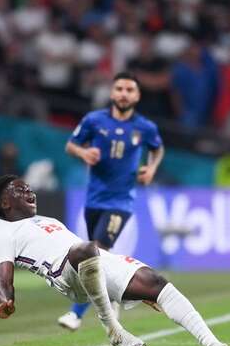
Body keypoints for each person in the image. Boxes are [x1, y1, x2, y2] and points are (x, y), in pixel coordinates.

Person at [0, 175, 230, 346]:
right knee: (86, 248)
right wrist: (6, 300)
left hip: (96, 260)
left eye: (30, 188)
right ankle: (112, 327)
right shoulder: (5, 233)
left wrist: (131, 287)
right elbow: (4, 278)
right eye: (21, 190)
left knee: (155, 283)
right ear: (5, 203)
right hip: (65, 274)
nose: (31, 193)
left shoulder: (47, 220)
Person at [57, 72, 164, 331]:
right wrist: (84, 152)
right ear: (112, 92)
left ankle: (76, 313)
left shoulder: (145, 127)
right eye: (119, 88)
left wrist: (151, 168)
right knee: (99, 258)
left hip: (121, 202)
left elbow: (157, 148)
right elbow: (71, 145)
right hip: (94, 200)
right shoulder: (94, 120)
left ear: (137, 96)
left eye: (129, 89)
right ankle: (115, 296)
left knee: (95, 250)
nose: (124, 93)